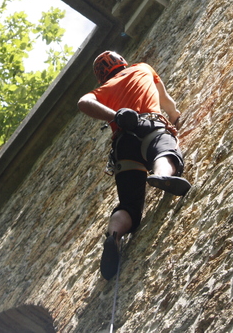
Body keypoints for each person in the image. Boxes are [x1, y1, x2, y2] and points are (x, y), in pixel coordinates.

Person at [78, 51, 191, 280]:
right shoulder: (142, 68)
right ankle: (162, 175)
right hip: (150, 126)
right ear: (122, 62)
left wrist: (116, 116)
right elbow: (169, 104)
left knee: (129, 205)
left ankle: (114, 235)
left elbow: (84, 102)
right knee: (164, 152)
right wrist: (175, 118)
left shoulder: (103, 90)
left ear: (101, 76)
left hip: (123, 144)